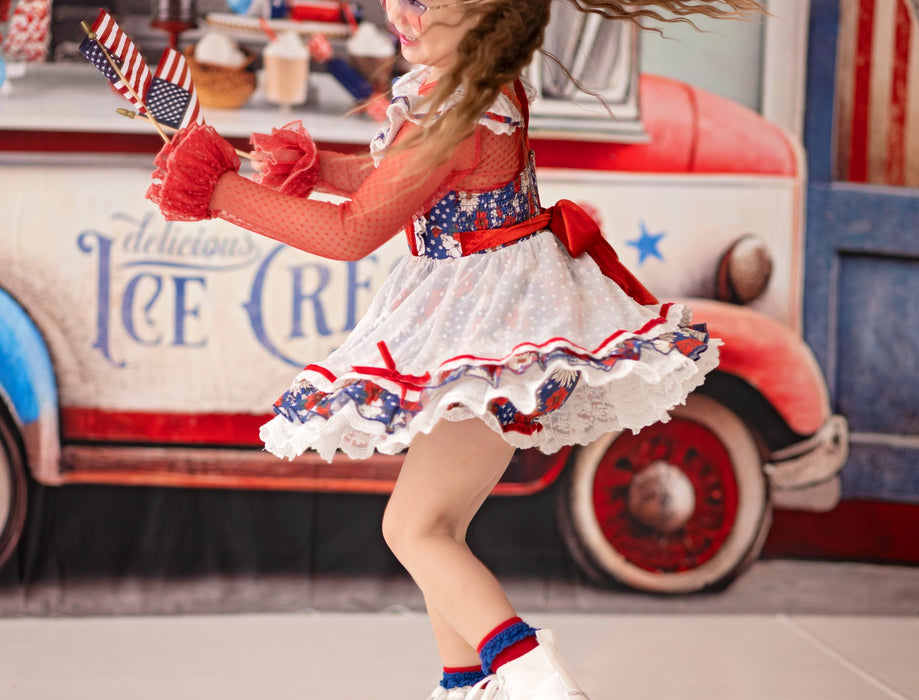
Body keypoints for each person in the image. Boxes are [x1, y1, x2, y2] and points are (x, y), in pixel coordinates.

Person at [146, 1, 762, 697]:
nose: (398, 13)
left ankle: (536, 681)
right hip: (496, 319)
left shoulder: (453, 111)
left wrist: (220, 192)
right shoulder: (480, 88)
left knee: (414, 528)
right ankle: (465, 684)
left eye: (424, 0)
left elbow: (350, 234)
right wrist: (312, 168)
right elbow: (403, 183)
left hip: (487, 332)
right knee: (437, 525)